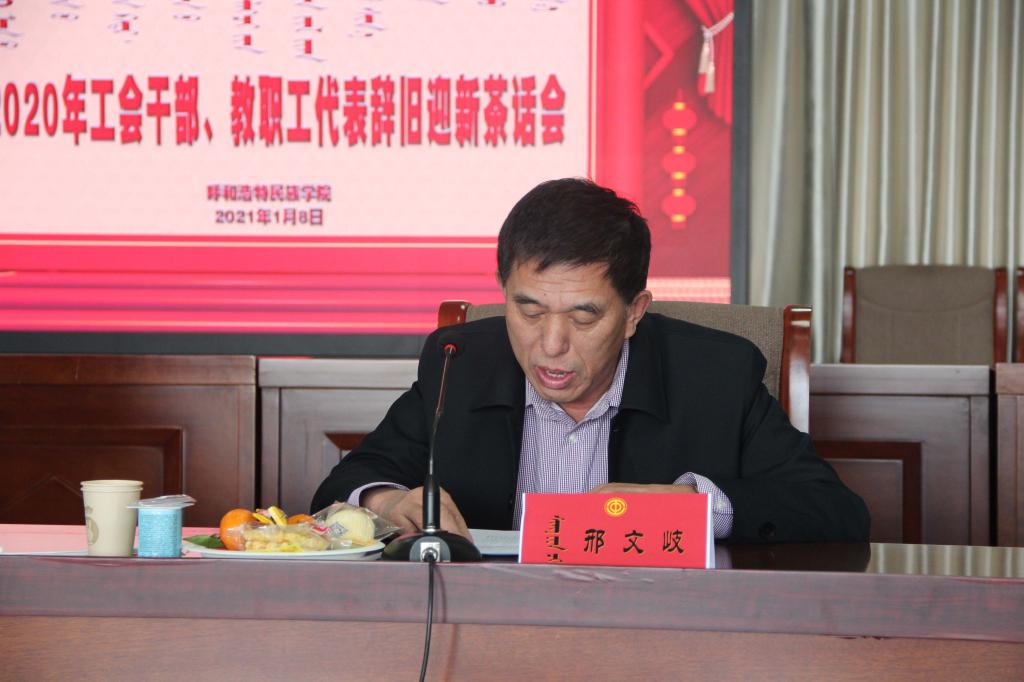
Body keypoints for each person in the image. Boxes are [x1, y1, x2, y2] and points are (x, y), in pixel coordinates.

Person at [311, 178, 869, 543]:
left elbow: (835, 512)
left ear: (633, 312)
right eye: (528, 310)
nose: (551, 344)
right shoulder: (459, 362)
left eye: (583, 317)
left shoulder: (716, 375)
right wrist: (387, 502)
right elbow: (346, 483)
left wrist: (694, 505)